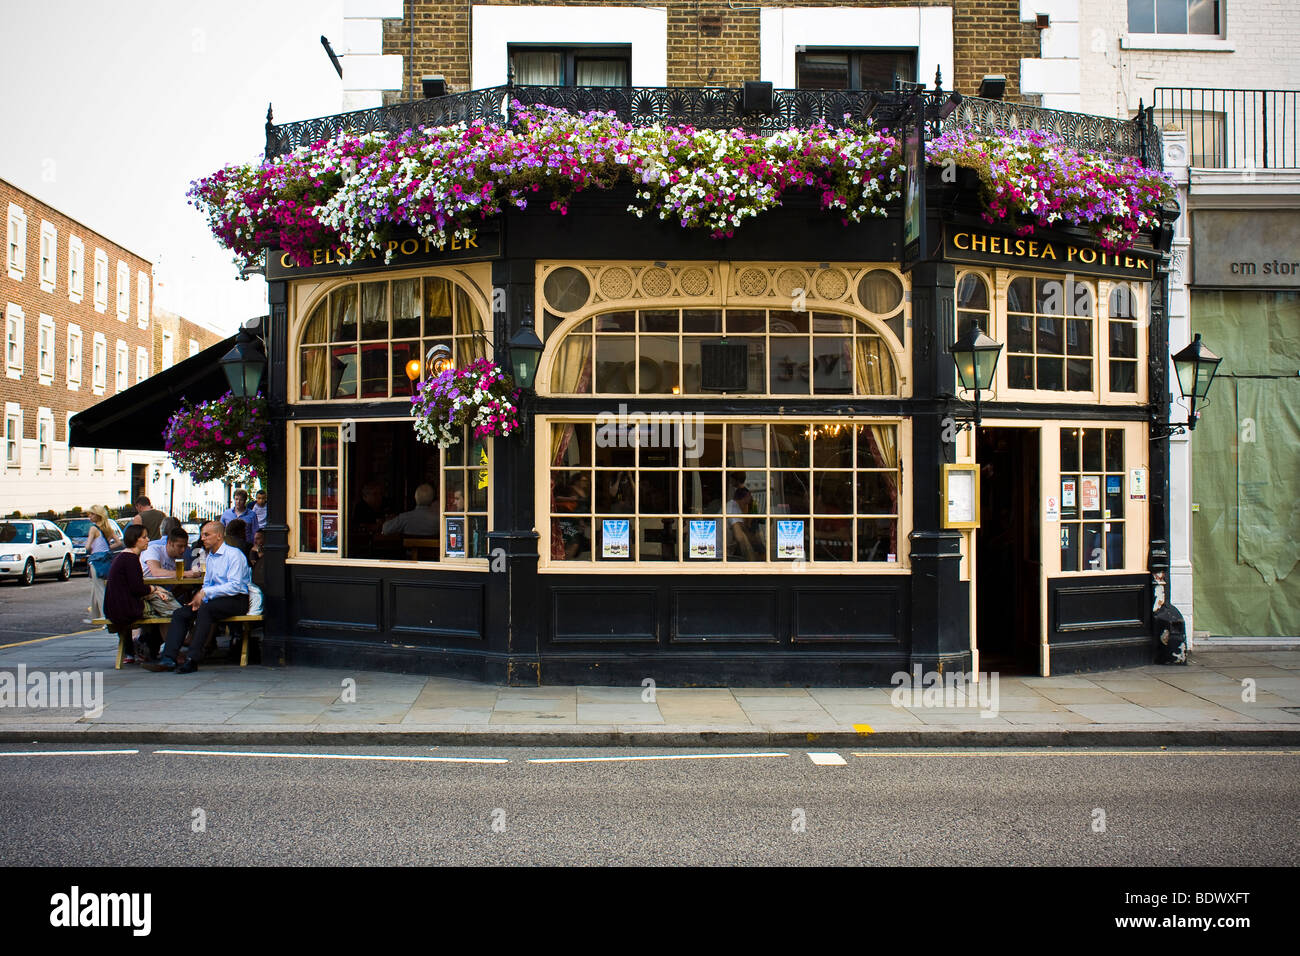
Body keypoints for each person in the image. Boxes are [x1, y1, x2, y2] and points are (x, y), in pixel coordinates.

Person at [151, 521, 250, 674]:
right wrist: (200, 597)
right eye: (202, 534)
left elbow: (235, 586)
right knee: (181, 613)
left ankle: (192, 659)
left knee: (206, 610)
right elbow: (208, 583)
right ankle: (168, 658)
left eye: (206, 535)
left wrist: (206, 594)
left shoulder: (234, 555)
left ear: (218, 536)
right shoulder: (210, 557)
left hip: (236, 599)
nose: (202, 538)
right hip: (214, 599)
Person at [104, 525, 170, 663]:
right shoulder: (131, 559)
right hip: (126, 609)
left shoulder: (123, 556)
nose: (148, 540)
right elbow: (138, 588)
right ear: (135, 539)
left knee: (160, 605)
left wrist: (154, 589)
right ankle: (160, 651)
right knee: (165, 611)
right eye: (144, 537)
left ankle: (143, 648)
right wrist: (155, 589)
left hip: (114, 607)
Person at [84, 504, 120, 622]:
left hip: (96, 560)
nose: (90, 516)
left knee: (99, 589)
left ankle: (106, 616)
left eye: (92, 514)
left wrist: (90, 547)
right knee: (96, 587)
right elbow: (119, 543)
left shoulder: (93, 529)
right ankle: (95, 616)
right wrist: (108, 547)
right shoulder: (108, 528)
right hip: (106, 559)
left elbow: (88, 546)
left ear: (98, 515)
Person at [727, 486, 762, 560]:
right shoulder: (733, 508)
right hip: (722, 555)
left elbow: (744, 530)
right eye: (746, 504)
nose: (746, 510)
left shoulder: (733, 506)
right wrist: (751, 558)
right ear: (747, 496)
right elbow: (740, 537)